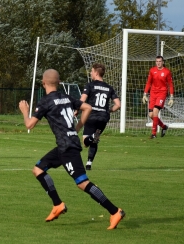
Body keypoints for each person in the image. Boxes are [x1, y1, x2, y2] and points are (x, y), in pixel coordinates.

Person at [18, 69, 125, 230]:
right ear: (59, 83)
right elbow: (87, 107)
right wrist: (77, 127)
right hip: (64, 145)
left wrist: (25, 112)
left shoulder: (46, 101)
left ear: (43, 83)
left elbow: (29, 125)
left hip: (68, 148)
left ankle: (115, 211)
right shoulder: (65, 97)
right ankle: (57, 205)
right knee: (38, 170)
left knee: (82, 183)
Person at [80, 63, 121, 170]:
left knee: (85, 142)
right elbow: (118, 105)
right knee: (95, 139)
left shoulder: (90, 85)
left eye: (92, 71)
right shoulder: (109, 88)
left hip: (91, 116)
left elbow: (82, 100)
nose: (90, 73)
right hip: (103, 118)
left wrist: (76, 110)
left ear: (96, 73)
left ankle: (93, 138)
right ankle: (89, 163)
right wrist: (109, 110)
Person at [143, 55, 174, 139]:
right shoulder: (152, 70)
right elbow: (148, 83)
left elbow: (170, 85)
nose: (158, 63)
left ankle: (153, 134)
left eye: (160, 61)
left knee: (155, 111)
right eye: (157, 61)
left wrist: (171, 97)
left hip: (162, 93)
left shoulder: (167, 72)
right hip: (153, 94)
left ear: (163, 62)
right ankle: (164, 127)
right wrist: (145, 94)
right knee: (151, 115)